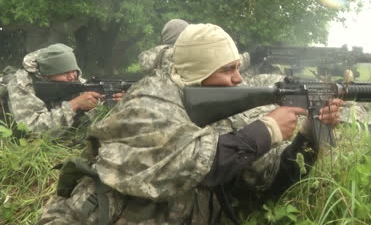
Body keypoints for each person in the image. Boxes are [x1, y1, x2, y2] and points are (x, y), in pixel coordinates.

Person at [38, 24, 343, 224]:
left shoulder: (221, 105)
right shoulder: (148, 104)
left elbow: (265, 181)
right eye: (227, 70)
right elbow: (195, 162)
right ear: (198, 73)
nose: (238, 79)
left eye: (238, 68)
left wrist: (307, 135)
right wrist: (267, 130)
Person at [6, 43, 124, 134]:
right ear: (46, 75)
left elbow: (83, 123)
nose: (72, 76)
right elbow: (31, 129)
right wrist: (73, 105)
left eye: (74, 70)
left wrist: (110, 105)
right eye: (65, 72)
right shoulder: (22, 84)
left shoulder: (76, 82)